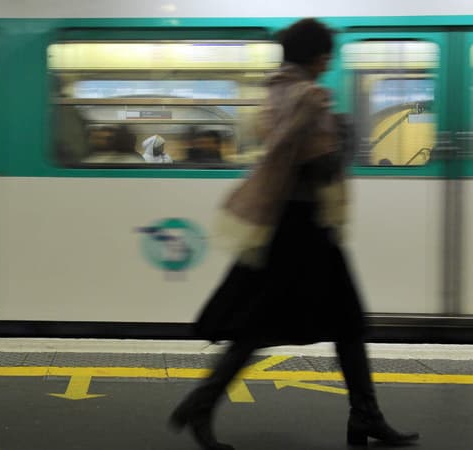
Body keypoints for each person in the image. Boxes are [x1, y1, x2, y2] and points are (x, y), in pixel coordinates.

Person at [169, 18, 419, 450]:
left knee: (279, 325)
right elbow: (314, 163)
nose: (328, 63)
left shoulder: (276, 91)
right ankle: (362, 415)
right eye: (326, 55)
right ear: (317, 56)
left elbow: (278, 148)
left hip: (283, 224)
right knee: (342, 323)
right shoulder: (310, 96)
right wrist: (342, 139)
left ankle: (206, 403)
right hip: (305, 228)